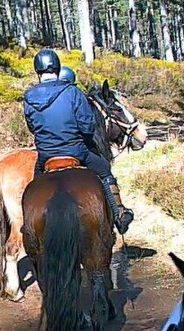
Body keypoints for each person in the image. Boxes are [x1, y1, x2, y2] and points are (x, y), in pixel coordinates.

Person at [23, 48, 134, 235]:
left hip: (46, 156)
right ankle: (119, 214)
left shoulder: (29, 97)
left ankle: (28, 225)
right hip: (76, 151)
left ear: (37, 72)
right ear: (57, 69)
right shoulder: (72, 92)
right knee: (104, 170)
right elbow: (87, 126)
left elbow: (32, 127)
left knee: (34, 184)